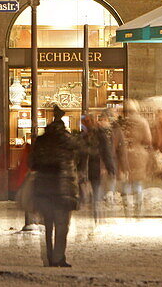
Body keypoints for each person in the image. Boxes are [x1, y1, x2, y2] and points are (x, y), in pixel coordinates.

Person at [31, 105, 82, 267]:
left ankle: (48, 257)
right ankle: (59, 257)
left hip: (44, 188)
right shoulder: (67, 140)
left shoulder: (41, 140)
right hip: (63, 188)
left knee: (48, 225)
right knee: (62, 225)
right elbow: (80, 155)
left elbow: (32, 163)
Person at [117, 99, 153, 217]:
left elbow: (116, 140)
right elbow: (148, 140)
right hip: (138, 156)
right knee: (137, 183)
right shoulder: (142, 122)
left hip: (124, 155)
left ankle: (127, 210)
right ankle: (138, 210)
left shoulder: (121, 123)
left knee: (126, 183)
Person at [79, 114, 117, 223]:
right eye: (85, 122)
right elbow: (106, 152)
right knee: (91, 189)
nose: (87, 124)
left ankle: (95, 211)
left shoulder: (95, 135)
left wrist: (110, 167)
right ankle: (94, 210)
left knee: (94, 189)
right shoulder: (88, 135)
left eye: (88, 121)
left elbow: (106, 152)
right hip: (90, 167)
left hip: (93, 167)